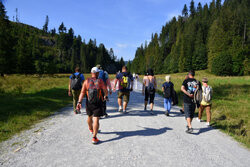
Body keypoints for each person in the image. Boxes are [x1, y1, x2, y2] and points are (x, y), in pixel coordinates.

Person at [76, 67, 108, 144]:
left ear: (91, 73)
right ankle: (94, 137)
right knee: (96, 119)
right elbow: (105, 90)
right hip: (98, 103)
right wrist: (105, 96)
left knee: (89, 117)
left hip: (89, 103)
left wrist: (79, 102)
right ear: (97, 73)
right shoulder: (100, 81)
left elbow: (82, 93)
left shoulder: (86, 81)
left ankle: (90, 129)